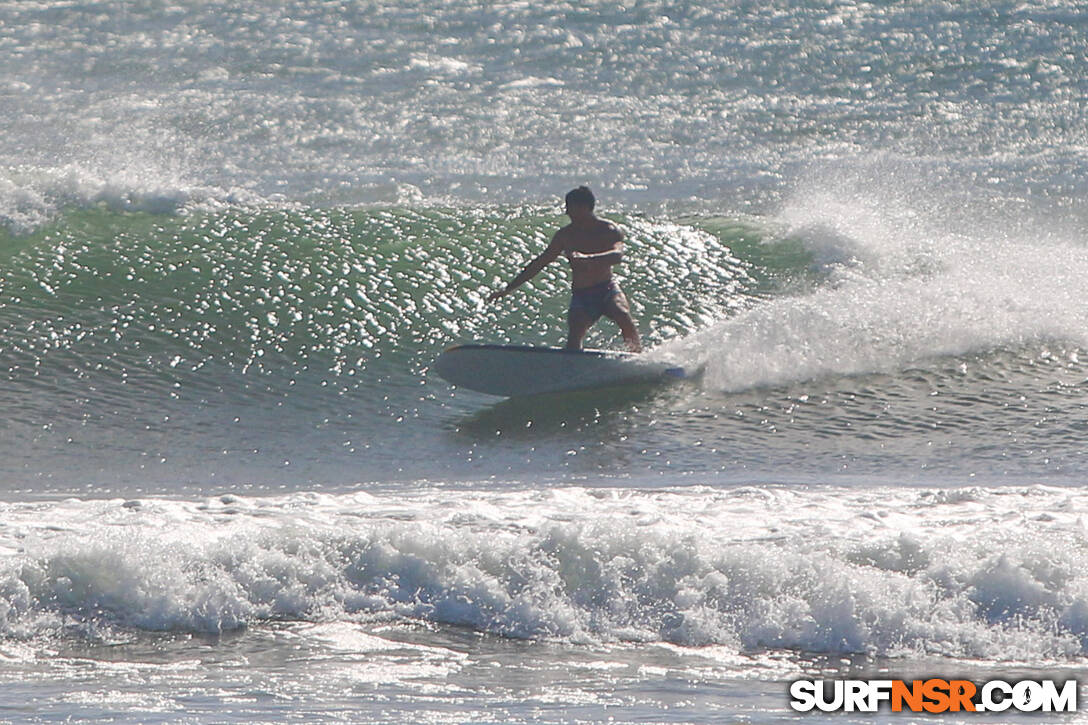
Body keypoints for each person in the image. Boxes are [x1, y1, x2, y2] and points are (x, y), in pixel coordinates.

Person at [487, 186, 642, 352]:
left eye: (570, 208)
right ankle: (571, 369)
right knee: (575, 334)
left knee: (622, 315)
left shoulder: (608, 230)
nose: (567, 212)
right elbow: (540, 262)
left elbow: (617, 255)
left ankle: (637, 358)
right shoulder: (565, 235)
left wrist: (587, 259)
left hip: (607, 289)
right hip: (582, 294)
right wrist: (508, 289)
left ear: (584, 207)